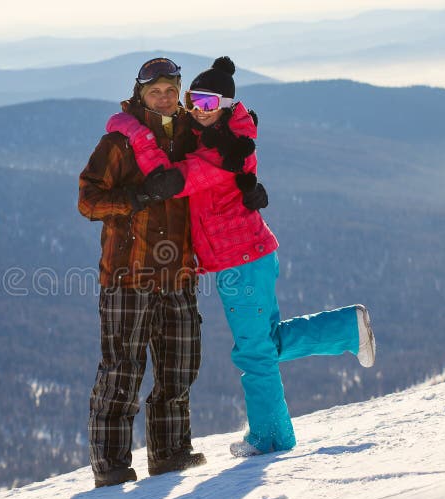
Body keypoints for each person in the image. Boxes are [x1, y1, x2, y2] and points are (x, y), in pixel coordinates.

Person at [105, 56, 376, 458]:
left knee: (254, 352)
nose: (198, 109)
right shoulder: (217, 136)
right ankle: (347, 329)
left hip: (241, 261)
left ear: (228, 105)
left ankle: (271, 437)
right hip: (247, 255)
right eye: (195, 99)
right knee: (262, 344)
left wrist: (126, 125)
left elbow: (169, 179)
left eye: (210, 103)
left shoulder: (224, 152)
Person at [78, 57, 208, 488]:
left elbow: (219, 163)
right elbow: (88, 199)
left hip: (178, 274)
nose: (165, 98)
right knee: (122, 371)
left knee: (180, 367)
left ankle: (170, 454)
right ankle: (111, 467)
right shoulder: (120, 143)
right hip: (128, 275)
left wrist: (239, 129)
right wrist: (140, 196)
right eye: (156, 92)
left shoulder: (191, 134)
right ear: (140, 94)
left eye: (172, 90)